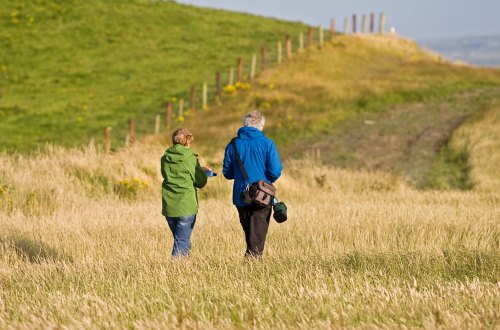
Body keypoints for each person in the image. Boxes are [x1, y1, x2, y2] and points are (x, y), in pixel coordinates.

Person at [223, 111, 282, 257]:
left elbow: (227, 173)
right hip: (262, 196)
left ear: (244, 124)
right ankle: (252, 268)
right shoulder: (267, 143)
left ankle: (250, 266)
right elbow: (275, 171)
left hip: (241, 196)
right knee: (257, 239)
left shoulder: (233, 144)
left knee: (251, 236)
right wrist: (265, 181)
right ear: (261, 126)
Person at [161, 128, 210, 257]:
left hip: (169, 206)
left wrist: (198, 169)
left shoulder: (165, 158)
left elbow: (173, 174)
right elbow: (200, 182)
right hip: (186, 206)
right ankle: (174, 270)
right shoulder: (190, 158)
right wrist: (203, 173)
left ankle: (185, 268)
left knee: (182, 239)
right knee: (181, 241)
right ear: (187, 142)